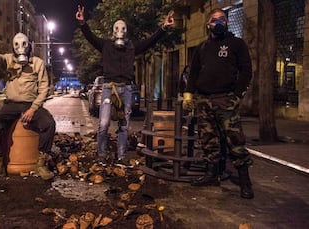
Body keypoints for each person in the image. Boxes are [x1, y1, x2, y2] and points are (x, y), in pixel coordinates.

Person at [75, 5, 174, 165]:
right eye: (117, 28)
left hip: (126, 89)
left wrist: (163, 27)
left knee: (123, 125)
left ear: (126, 31)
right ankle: (101, 155)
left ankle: (121, 157)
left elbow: (149, 42)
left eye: (123, 28)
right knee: (104, 123)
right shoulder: (106, 45)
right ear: (113, 31)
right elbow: (91, 38)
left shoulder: (131, 47)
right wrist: (82, 23)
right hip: (108, 88)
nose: (120, 31)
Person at [183, 8, 254, 199]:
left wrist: (237, 95)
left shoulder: (236, 44)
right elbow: (194, 72)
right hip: (203, 100)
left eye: (222, 19)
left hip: (226, 100)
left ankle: (245, 182)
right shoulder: (202, 47)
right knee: (208, 139)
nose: (218, 23)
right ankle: (211, 174)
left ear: (228, 22)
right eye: (214, 20)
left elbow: (246, 71)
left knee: (235, 141)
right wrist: (189, 94)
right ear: (208, 25)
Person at [0, 24, 55, 180]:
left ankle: (40, 164)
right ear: (13, 47)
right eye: (17, 45)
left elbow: (44, 88)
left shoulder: (37, 63)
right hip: (11, 104)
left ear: (29, 46)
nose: (21, 48)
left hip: (30, 105)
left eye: (24, 44)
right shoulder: (8, 60)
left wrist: (33, 109)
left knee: (49, 123)